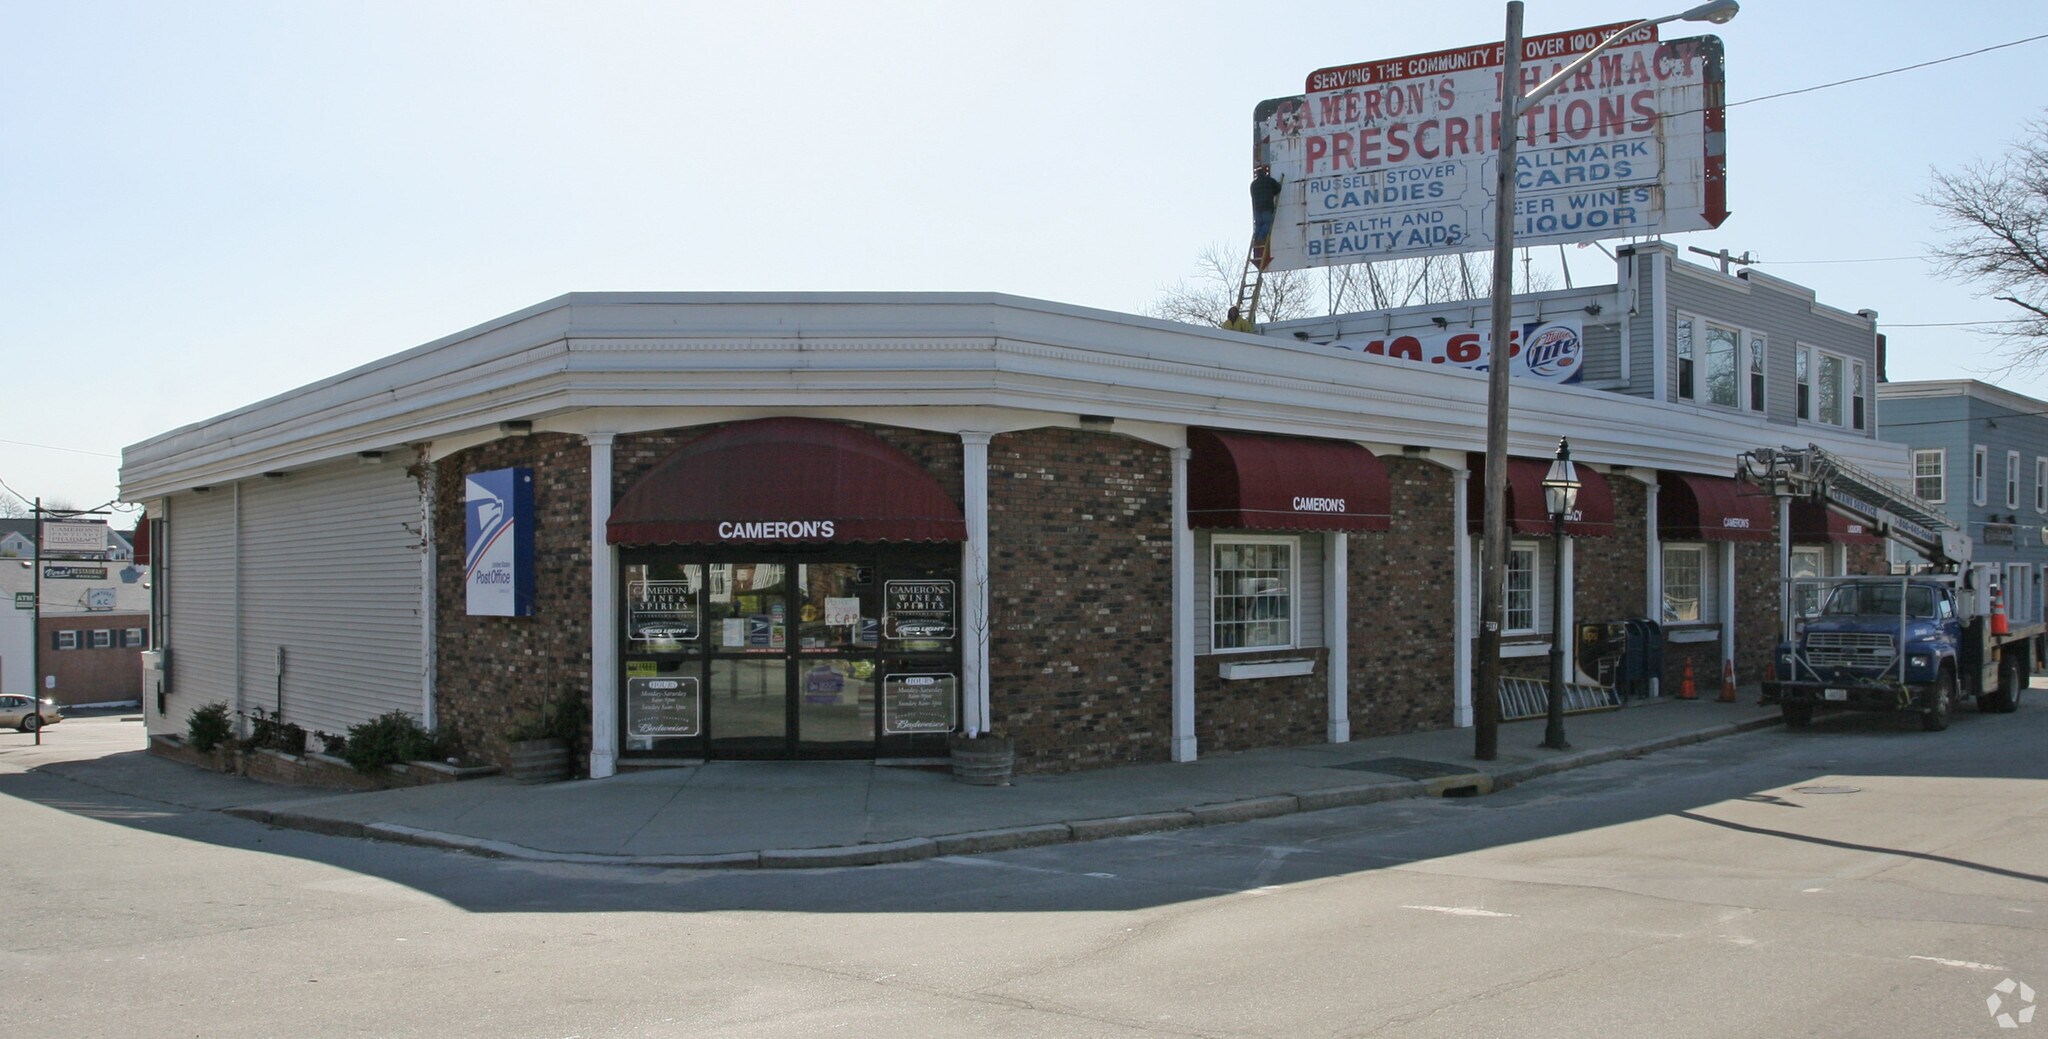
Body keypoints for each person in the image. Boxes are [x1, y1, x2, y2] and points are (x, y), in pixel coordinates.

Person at [1249, 165, 1282, 269]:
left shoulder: (1253, 184)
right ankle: (1261, 238)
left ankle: (1257, 239)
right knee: (1267, 224)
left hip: (1257, 209)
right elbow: (1278, 189)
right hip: (1267, 206)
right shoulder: (1269, 181)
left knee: (1259, 225)